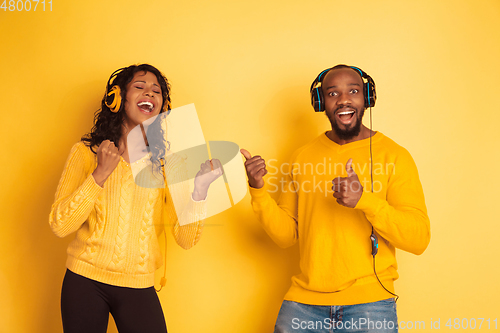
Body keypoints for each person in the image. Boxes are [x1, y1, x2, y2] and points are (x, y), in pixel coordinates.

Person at [241, 65, 430, 333]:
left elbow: (419, 239)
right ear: (320, 102)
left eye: (353, 91)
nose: (343, 99)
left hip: (371, 305)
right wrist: (258, 190)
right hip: (303, 306)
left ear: (367, 97)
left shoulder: (395, 156)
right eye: (332, 93)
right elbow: (286, 236)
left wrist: (364, 200)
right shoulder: (302, 157)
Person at [49, 64, 222, 333]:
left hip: (138, 284)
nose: (150, 94)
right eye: (140, 87)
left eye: (156, 92)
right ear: (116, 98)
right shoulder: (85, 153)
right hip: (84, 280)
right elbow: (60, 225)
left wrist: (199, 190)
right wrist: (99, 175)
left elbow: (185, 240)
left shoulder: (169, 165)